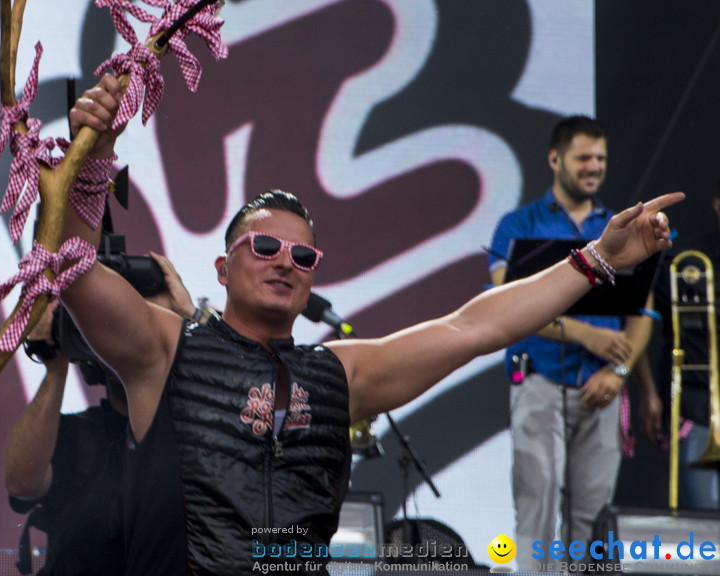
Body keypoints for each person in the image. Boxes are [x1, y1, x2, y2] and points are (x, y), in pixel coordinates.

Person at [60, 78, 680, 575]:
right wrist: (90, 162)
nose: (286, 262)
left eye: (303, 256)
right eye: (266, 246)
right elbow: (73, 271)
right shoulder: (169, 351)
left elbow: (474, 328)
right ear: (222, 267)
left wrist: (597, 260)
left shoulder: (339, 372)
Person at [486, 115, 656, 571]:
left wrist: (617, 371)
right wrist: (589, 335)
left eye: (600, 158)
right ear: (555, 159)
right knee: (536, 513)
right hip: (539, 382)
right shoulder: (517, 225)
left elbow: (645, 314)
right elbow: (504, 305)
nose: (594, 166)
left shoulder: (618, 228)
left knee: (592, 525)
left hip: (602, 392)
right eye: (584, 157)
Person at [3, 255, 200, 576]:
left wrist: (195, 327)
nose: (138, 346)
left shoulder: (206, 437)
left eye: (154, 332)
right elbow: (21, 482)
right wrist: (55, 362)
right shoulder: (78, 438)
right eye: (124, 332)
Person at [640, 176, 720, 510]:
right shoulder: (686, 260)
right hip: (694, 405)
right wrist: (649, 393)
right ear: (718, 205)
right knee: (703, 524)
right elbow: (639, 319)